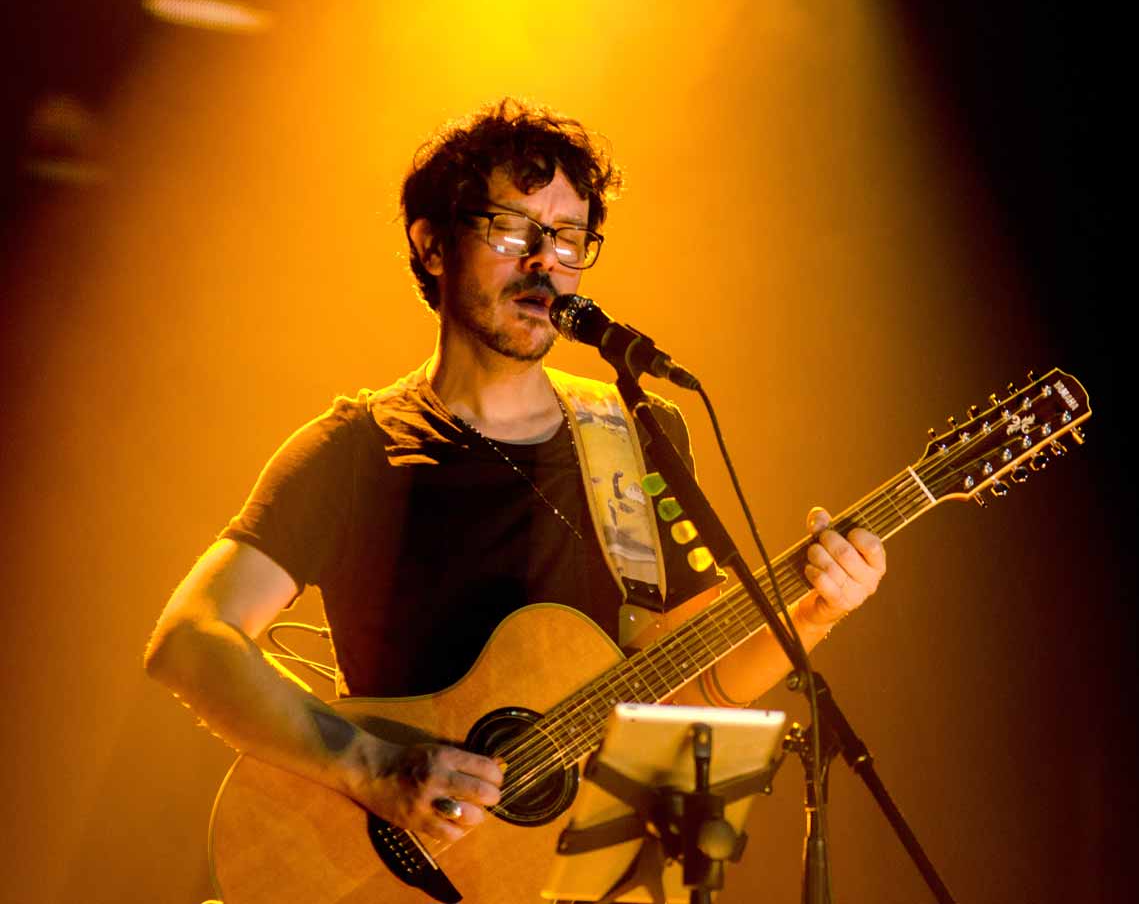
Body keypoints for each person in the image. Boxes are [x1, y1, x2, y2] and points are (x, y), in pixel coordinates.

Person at [144, 98, 886, 851]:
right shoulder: (357, 450)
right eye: (511, 228)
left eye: (568, 238)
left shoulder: (640, 434)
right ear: (433, 246)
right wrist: (375, 768)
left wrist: (813, 613)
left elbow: (690, 689)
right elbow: (190, 638)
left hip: (567, 872)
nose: (544, 262)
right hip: (396, 872)